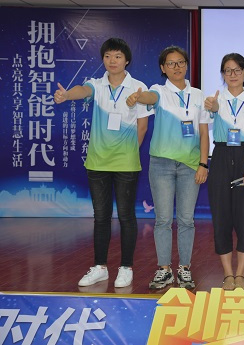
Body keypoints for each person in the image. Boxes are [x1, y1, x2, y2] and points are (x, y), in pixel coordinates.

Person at [53, 37, 151, 288]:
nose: (112, 61)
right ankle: (100, 267)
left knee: (126, 216)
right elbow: (82, 90)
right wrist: (67, 95)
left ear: (126, 60)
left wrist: (130, 152)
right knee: (101, 217)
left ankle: (126, 268)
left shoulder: (138, 87)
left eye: (117, 56)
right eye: (107, 56)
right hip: (97, 162)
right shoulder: (96, 84)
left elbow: (142, 126)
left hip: (126, 163)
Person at [125, 45, 210, 290]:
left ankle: (184, 269)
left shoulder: (198, 95)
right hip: (161, 164)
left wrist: (203, 163)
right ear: (163, 68)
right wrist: (138, 97)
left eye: (180, 62)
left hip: (190, 165)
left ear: (186, 65)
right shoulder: (158, 90)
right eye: (170, 63)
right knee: (162, 219)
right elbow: (149, 98)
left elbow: (204, 133)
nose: (176, 67)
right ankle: (164, 270)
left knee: (186, 220)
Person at [204, 53, 244, 290]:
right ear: (223, 74)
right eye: (228, 70)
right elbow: (211, 114)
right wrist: (213, 107)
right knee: (221, 218)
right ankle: (227, 274)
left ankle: (241, 274)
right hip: (221, 157)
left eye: (237, 70)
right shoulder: (215, 100)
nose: (232, 74)